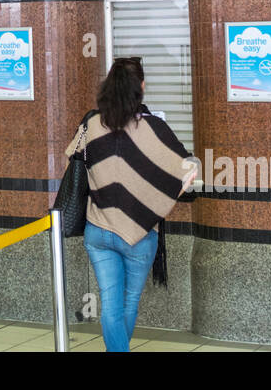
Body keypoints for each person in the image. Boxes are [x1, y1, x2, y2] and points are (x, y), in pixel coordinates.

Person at [72, 57, 197, 352]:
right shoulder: (154, 127)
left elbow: (75, 161)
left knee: (110, 308)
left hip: (97, 231)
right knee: (127, 305)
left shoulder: (91, 124)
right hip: (139, 234)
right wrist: (157, 199)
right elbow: (187, 171)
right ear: (140, 87)